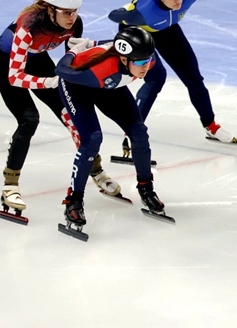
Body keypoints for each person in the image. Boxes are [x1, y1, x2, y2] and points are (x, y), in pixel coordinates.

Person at [0, 0, 119, 217]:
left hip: (37, 59)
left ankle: (95, 169)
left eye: (75, 12)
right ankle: (10, 185)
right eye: (66, 12)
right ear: (50, 9)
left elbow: (72, 55)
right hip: (5, 64)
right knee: (29, 119)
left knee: (69, 113)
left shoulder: (74, 23)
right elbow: (15, 77)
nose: (72, 18)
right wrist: (49, 82)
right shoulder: (27, 27)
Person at [108, 0, 237, 151]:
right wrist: (128, 9)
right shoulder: (143, 12)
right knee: (157, 78)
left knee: (194, 78)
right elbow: (113, 16)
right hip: (139, 33)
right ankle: (133, 132)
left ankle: (210, 125)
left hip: (167, 30)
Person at [55, 27, 166, 229]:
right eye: (140, 62)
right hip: (77, 84)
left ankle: (146, 189)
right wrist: (73, 52)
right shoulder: (102, 68)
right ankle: (73, 201)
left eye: (148, 60)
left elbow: (117, 45)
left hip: (109, 85)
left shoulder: (146, 57)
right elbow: (61, 70)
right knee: (92, 139)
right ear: (124, 59)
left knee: (139, 132)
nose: (146, 67)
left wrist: (94, 42)